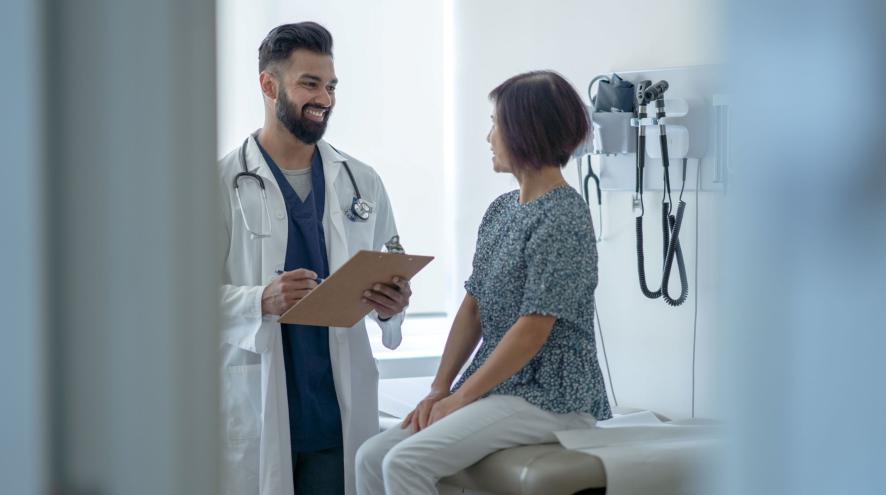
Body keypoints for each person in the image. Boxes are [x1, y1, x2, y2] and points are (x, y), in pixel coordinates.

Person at [355, 70, 612, 495]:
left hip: (551, 396)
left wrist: (462, 398)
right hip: (503, 387)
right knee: (371, 456)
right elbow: (473, 308)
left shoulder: (564, 216)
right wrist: (440, 389)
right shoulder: (501, 210)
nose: (489, 136)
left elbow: (532, 329)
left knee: (405, 461)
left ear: (524, 131)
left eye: (495, 123)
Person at [217, 22, 412, 495]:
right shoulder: (220, 184)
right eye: (309, 83)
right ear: (269, 85)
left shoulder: (361, 180)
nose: (324, 97)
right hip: (259, 404)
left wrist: (393, 302)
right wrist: (259, 299)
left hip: (335, 411)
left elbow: (391, 267)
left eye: (330, 86)